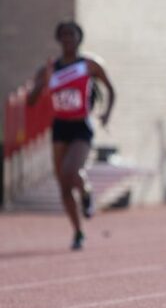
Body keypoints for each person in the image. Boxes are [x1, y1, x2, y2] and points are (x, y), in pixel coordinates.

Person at [27, 21, 115, 250]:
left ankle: (86, 192)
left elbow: (110, 89)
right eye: (63, 35)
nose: (68, 38)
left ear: (79, 38)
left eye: (72, 34)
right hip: (60, 127)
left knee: (71, 170)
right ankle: (78, 232)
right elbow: (31, 100)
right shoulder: (49, 68)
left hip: (81, 126)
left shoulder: (89, 65)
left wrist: (106, 114)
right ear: (59, 39)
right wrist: (42, 82)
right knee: (63, 185)